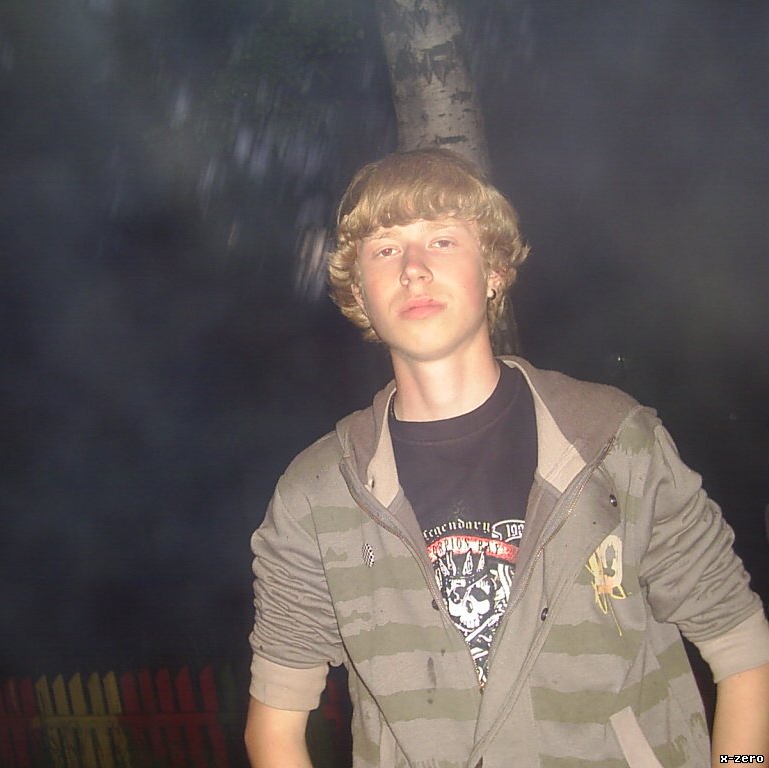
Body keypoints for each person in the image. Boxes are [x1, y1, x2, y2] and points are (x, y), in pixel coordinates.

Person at [245, 148, 769, 768]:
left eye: (441, 241)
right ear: (360, 291)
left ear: (493, 270)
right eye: (385, 249)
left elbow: (743, 652)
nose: (413, 269)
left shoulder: (611, 441)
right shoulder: (319, 494)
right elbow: (274, 731)